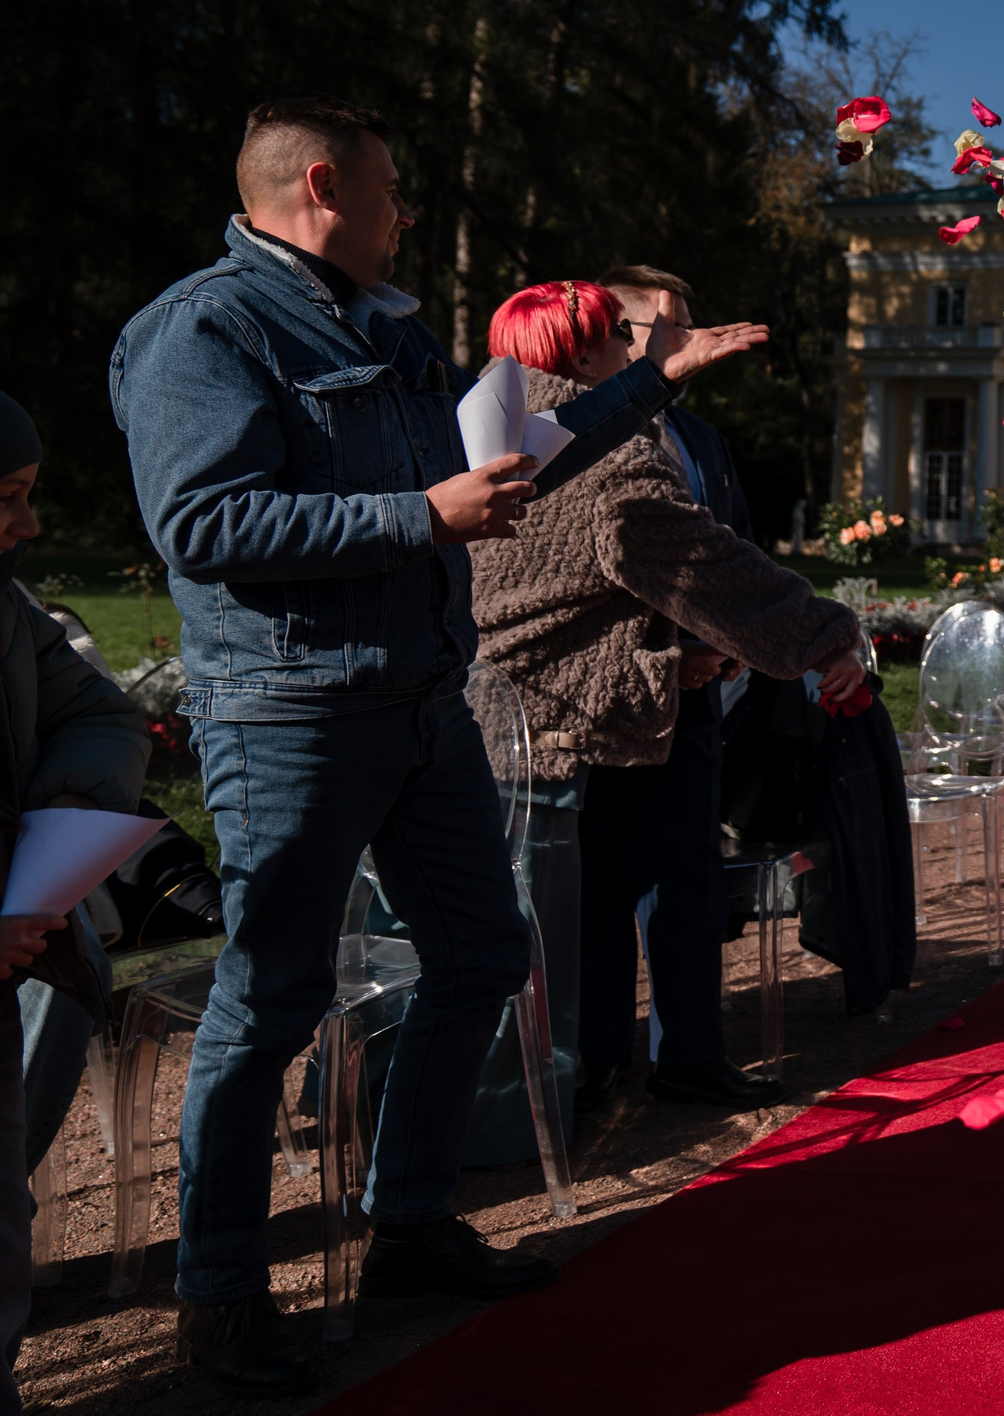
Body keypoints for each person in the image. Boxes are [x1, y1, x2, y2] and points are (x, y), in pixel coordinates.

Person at [109, 97, 768, 1393]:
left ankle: (406, 1224)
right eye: (393, 188)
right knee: (275, 998)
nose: (406, 210)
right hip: (294, 711)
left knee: (484, 955)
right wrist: (419, 516)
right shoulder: (204, 328)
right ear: (319, 187)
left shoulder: (390, 333)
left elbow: (515, 462)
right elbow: (206, 525)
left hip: (424, 704)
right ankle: (223, 1292)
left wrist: (650, 386)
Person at [470, 276, 861, 1113]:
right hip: (585, 715)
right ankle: (581, 1084)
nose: (633, 349)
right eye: (621, 332)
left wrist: (666, 650)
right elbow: (701, 565)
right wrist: (829, 632)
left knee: (588, 904)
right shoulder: (610, 447)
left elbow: (556, 591)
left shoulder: (481, 428)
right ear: (582, 350)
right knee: (616, 895)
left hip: (519, 718)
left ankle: (592, 1071)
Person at [0, 377, 150, 1415]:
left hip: (0, 972)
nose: (29, 523)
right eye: (5, 494)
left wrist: (55, 836)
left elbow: (105, 716)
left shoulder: (2, 606)